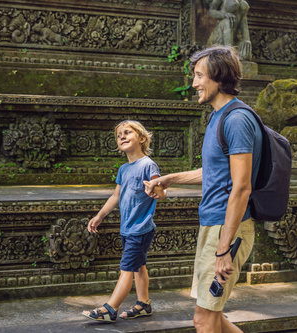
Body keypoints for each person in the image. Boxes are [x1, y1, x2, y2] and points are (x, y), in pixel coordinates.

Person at [145, 45, 262, 333]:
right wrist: (171, 179)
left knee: (203, 319)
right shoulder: (218, 117)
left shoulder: (236, 120)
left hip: (227, 230)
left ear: (219, 77)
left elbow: (241, 187)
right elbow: (216, 173)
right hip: (214, 225)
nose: (194, 83)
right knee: (214, 316)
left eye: (199, 76)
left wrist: (224, 249)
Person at [82, 120, 166, 323]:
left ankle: (110, 309)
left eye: (127, 132)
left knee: (127, 268)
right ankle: (144, 304)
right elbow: (115, 196)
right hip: (128, 228)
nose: (122, 136)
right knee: (139, 267)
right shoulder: (123, 169)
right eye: (119, 135)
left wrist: (156, 191)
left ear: (142, 138)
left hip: (140, 227)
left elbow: (161, 191)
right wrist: (100, 216)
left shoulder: (148, 164)